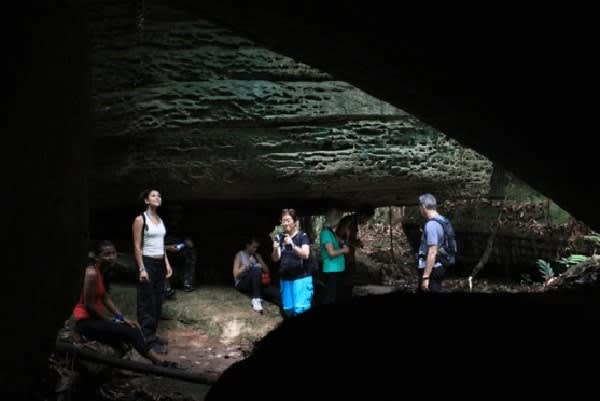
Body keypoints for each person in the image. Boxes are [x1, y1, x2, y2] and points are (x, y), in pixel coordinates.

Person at [72, 241, 173, 366]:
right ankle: (158, 361)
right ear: (98, 257)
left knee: (130, 327)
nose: (111, 257)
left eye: (113, 253)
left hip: (95, 321)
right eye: (107, 254)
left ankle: (119, 362)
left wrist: (121, 318)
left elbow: (105, 298)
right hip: (85, 323)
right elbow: (89, 305)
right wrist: (110, 321)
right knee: (132, 331)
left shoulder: (101, 272)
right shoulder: (91, 273)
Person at [132, 188, 174, 354]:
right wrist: (142, 268)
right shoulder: (140, 219)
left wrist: (167, 263)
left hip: (159, 263)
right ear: (146, 200)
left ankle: (152, 335)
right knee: (147, 302)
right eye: (154, 195)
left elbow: (161, 245)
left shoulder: (160, 220)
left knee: (157, 300)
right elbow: (137, 246)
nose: (158, 197)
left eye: (160, 195)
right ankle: (147, 340)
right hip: (147, 263)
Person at [271, 208, 312, 317]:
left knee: (300, 310)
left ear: (295, 222)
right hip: (285, 279)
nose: (285, 223)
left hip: (301, 279)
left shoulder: (302, 236)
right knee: (288, 310)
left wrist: (292, 245)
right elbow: (276, 258)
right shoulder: (279, 237)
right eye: (283, 220)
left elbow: (306, 254)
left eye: (288, 220)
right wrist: (275, 248)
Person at [334, 206, 375, 300]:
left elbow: (347, 238)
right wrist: (354, 243)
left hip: (349, 259)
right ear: (363, 215)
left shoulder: (354, 222)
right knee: (343, 285)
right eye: (366, 219)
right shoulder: (348, 221)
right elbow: (337, 239)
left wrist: (356, 242)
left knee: (349, 284)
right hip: (343, 259)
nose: (365, 222)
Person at [233, 237, 279, 313]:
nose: (255, 249)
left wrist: (259, 260)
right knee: (256, 269)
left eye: (257, 247)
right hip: (242, 283)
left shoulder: (256, 255)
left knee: (275, 293)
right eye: (254, 247)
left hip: (256, 284)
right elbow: (235, 275)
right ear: (248, 246)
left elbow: (267, 271)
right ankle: (256, 299)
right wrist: (247, 266)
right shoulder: (240, 255)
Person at [416, 193, 447, 292]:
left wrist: (425, 277)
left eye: (420, 207)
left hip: (431, 269)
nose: (419, 210)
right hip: (439, 265)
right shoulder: (443, 220)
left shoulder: (431, 225)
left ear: (423, 207)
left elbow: (432, 251)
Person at [319, 225, 350, 304]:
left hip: (337, 270)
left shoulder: (331, 232)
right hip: (331, 270)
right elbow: (331, 253)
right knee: (330, 297)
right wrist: (344, 250)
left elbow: (341, 241)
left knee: (337, 295)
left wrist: (347, 237)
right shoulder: (326, 233)